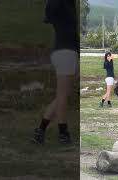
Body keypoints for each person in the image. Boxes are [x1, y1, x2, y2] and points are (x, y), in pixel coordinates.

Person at [32, 0, 77, 144]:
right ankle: (63, 133)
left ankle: (41, 130)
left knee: (63, 94)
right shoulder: (62, 6)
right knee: (63, 96)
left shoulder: (61, 6)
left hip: (64, 52)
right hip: (66, 53)